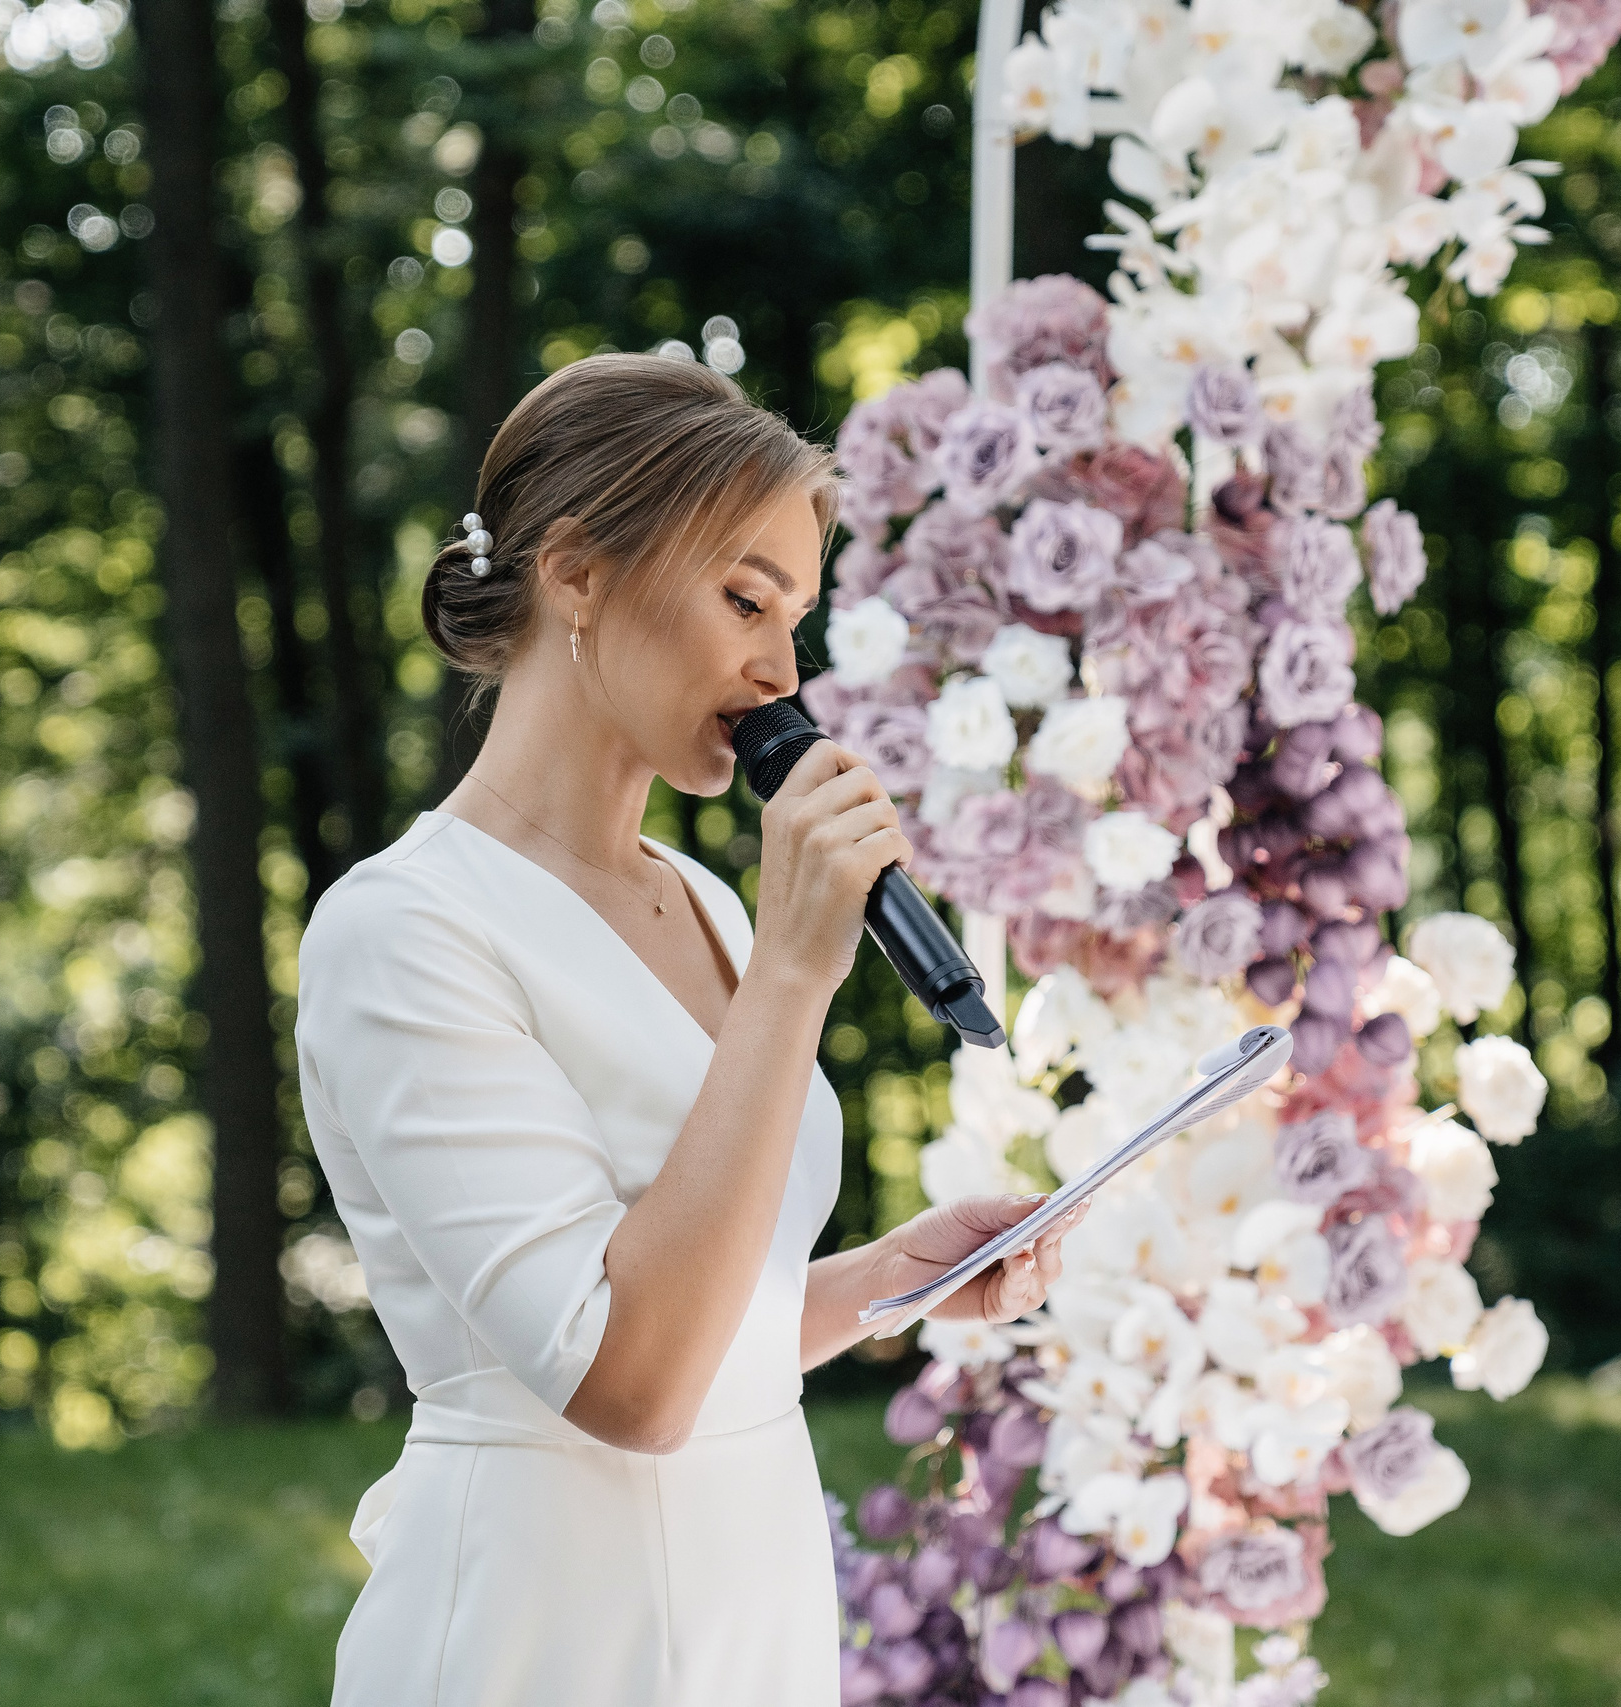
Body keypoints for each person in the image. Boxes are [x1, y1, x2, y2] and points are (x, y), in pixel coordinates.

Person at [293, 353, 1086, 1706]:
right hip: (547, 1637)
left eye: (796, 618)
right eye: (744, 600)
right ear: (578, 574)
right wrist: (795, 975)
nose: (782, 671)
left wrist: (891, 1280)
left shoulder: (708, 905)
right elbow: (630, 1382)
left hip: (751, 1613)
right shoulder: (404, 932)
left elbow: (711, 1330)